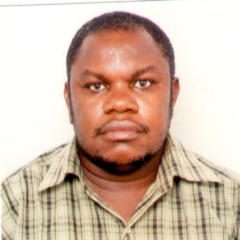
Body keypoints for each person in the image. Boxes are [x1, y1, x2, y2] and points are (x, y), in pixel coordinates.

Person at [1, 11, 239, 240]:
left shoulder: (230, 203)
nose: (120, 104)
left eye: (142, 83)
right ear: (69, 100)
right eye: (96, 86)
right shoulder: (14, 203)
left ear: (172, 95)